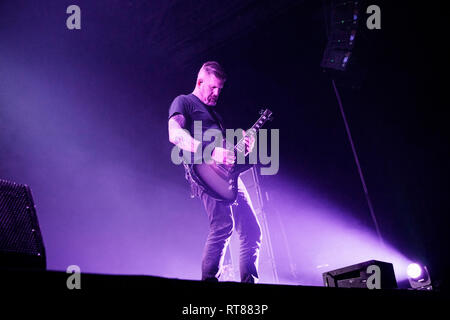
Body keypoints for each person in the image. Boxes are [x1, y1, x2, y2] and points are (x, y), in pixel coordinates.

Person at [168, 61, 262, 283]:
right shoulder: (184, 102)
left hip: (227, 176)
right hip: (203, 175)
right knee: (223, 226)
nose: (216, 93)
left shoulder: (215, 116)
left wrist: (243, 149)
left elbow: (225, 154)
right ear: (200, 82)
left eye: (220, 89)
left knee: (252, 231)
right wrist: (210, 152)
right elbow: (174, 135)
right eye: (212, 87)